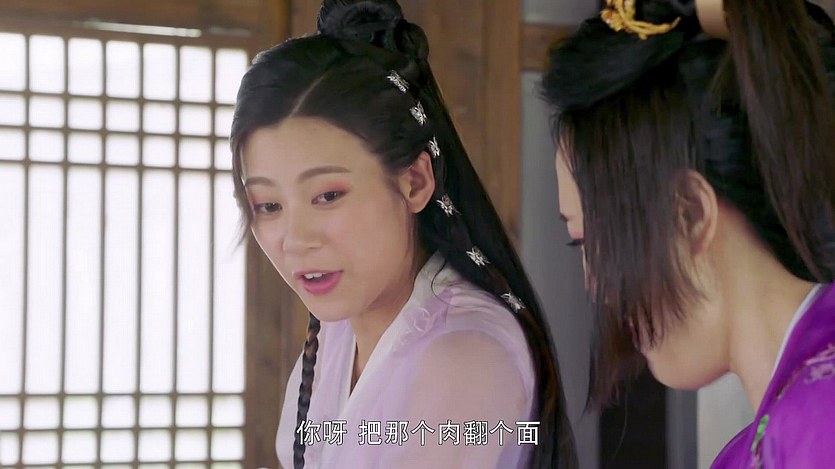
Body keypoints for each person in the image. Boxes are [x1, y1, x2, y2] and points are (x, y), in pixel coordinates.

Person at [230, 1, 577, 467]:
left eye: (328, 195)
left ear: (415, 181)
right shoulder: (337, 332)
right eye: (269, 206)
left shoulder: (463, 355)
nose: (295, 240)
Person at [541, 0, 835, 466]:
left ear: (690, 214)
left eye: (595, 241)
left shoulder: (820, 423)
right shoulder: (769, 438)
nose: (596, 283)